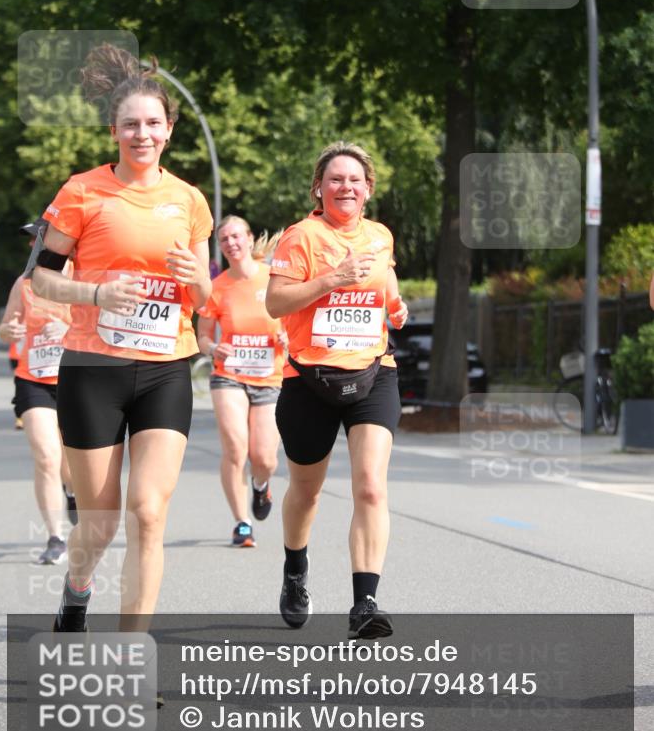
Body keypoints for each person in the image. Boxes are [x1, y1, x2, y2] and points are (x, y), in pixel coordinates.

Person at [30, 43, 213, 632]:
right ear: (115, 131)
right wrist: (96, 295)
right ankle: (78, 589)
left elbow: (206, 300)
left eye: (153, 124)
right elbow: (40, 279)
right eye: (130, 124)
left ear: (169, 131)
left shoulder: (189, 201)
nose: (142, 134)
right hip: (93, 369)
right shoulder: (82, 191)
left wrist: (198, 283)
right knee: (102, 521)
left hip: (165, 368)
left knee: (149, 513)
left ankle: (132, 651)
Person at [266, 141, 408, 640]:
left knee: (371, 485)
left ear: (368, 189)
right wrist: (331, 279)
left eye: (354, 180)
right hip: (310, 379)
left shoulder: (380, 237)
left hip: (374, 372)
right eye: (335, 180)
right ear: (319, 188)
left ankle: (365, 601)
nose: (345, 187)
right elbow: (275, 303)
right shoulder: (300, 237)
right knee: (306, 492)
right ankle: (295, 568)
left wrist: (396, 307)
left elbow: (385, 287)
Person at [197, 217, 285, 547]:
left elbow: (291, 318)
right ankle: (241, 522)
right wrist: (212, 347)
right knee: (235, 448)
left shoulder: (273, 278)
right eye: (223, 239)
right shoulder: (216, 287)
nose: (231, 242)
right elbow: (202, 336)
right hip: (229, 374)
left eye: (236, 236)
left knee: (265, 458)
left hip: (269, 377)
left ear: (249, 239)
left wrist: (287, 337)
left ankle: (261, 486)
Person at [0, 218, 77, 564]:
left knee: (70, 462)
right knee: (46, 455)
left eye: (41, 240)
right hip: (34, 380)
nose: (35, 247)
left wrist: (68, 325)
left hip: (77, 378)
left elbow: (104, 322)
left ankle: (72, 489)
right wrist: (8, 332)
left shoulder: (81, 275)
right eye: (32, 242)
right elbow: (5, 328)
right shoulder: (24, 283)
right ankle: (55, 537)